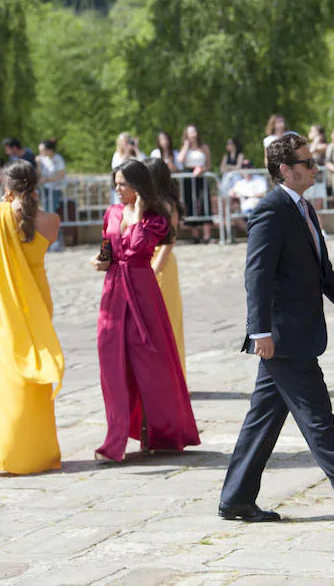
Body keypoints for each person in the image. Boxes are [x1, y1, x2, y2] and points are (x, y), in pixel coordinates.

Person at [219, 133, 334, 527]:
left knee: (262, 419)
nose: (315, 168)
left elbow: (322, 271)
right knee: (319, 418)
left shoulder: (304, 208)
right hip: (283, 337)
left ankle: (236, 498)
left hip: (295, 333)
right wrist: (259, 330)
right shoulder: (270, 211)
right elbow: (257, 276)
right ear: (285, 169)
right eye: (308, 162)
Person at [91, 159, 199, 462]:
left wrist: (137, 216)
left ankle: (161, 432)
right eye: (116, 183)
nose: (117, 189)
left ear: (138, 187)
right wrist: (101, 261)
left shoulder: (155, 219)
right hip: (113, 293)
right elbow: (107, 250)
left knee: (151, 364)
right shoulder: (111, 213)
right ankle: (114, 440)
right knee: (111, 364)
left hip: (142, 292)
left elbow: (139, 246)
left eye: (123, 184)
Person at [0, 160, 65, 475]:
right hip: (37, 298)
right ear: (35, 185)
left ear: (6, 187)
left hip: (1, 300)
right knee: (32, 371)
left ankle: (6, 452)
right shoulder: (51, 221)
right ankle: (37, 450)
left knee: (4, 377)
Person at [145, 158, 187, 376]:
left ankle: (173, 375)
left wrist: (154, 270)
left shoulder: (167, 205)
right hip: (146, 260)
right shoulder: (145, 202)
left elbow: (169, 242)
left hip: (161, 262)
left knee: (167, 320)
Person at [177, 125, 214, 243]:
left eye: (194, 131)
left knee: (205, 203)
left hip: (201, 175)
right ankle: (195, 235)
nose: (193, 134)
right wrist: (187, 146)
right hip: (188, 176)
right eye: (190, 132)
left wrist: (202, 169)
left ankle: (207, 235)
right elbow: (180, 161)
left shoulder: (204, 147)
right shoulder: (184, 147)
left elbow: (209, 164)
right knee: (190, 203)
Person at [37, 139, 67, 251]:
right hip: (46, 189)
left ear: (49, 150)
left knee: (52, 214)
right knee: (46, 215)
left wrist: (47, 179)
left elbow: (61, 174)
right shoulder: (43, 159)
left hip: (55, 189)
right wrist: (38, 163)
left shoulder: (57, 159)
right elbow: (39, 174)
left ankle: (56, 241)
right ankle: (47, 241)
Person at [305, 125, 329, 225]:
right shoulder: (308, 145)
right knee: (308, 205)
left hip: (319, 179)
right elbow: (308, 153)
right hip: (307, 179)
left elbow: (313, 151)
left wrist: (316, 141)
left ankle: (321, 229)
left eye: (312, 131)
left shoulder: (324, 145)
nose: (310, 133)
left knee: (319, 205)